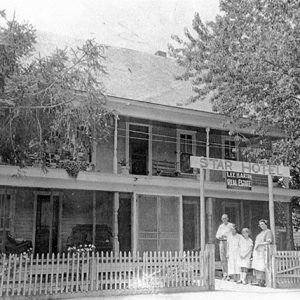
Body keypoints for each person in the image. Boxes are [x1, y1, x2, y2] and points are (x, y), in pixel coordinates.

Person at [251, 219, 273, 287]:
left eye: (262, 224)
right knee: (257, 266)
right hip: (257, 252)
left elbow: (269, 241)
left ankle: (263, 281)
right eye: (260, 225)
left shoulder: (268, 232)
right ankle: (259, 281)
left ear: (266, 224)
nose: (261, 226)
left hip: (263, 251)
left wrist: (259, 244)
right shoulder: (261, 233)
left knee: (262, 266)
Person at [216, 214, 233, 279]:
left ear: (228, 218)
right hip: (222, 242)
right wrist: (220, 236)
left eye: (225, 218)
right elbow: (217, 235)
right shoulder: (221, 226)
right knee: (223, 258)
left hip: (228, 242)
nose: (224, 220)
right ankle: (225, 274)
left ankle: (229, 274)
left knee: (228, 257)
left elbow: (233, 234)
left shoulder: (230, 225)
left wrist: (227, 236)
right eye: (223, 218)